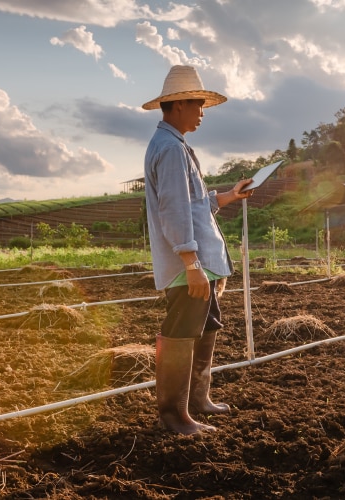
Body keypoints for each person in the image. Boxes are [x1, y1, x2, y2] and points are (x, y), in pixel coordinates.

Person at [142, 65, 253, 435]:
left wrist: (229, 196)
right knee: (181, 332)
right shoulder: (171, 149)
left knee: (204, 327)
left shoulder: (177, 146)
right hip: (186, 265)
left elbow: (193, 205)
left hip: (198, 262)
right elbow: (172, 210)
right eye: (198, 105)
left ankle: (197, 400)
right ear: (177, 106)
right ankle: (174, 417)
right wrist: (191, 263)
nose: (202, 113)